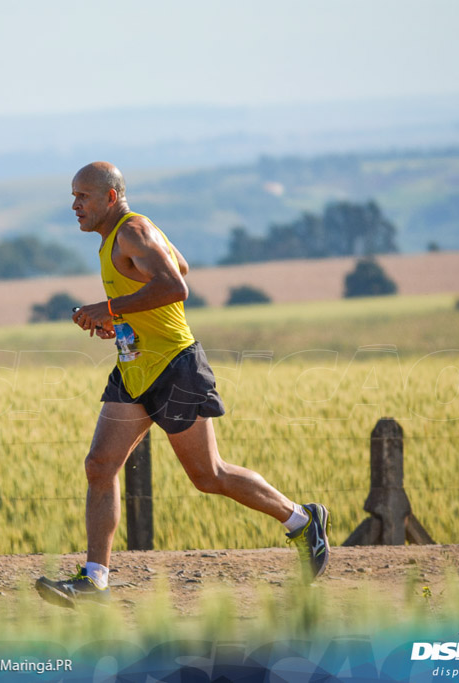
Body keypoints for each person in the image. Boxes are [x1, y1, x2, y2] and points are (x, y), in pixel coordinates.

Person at [35, 162, 330, 608]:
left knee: (209, 476)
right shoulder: (121, 237)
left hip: (175, 366)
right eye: (73, 197)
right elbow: (183, 265)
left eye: (83, 197)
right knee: (99, 465)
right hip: (134, 367)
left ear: (110, 198)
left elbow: (175, 285)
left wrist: (112, 308)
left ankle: (301, 520)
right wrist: (120, 319)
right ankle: (94, 580)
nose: (75, 205)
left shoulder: (132, 232)